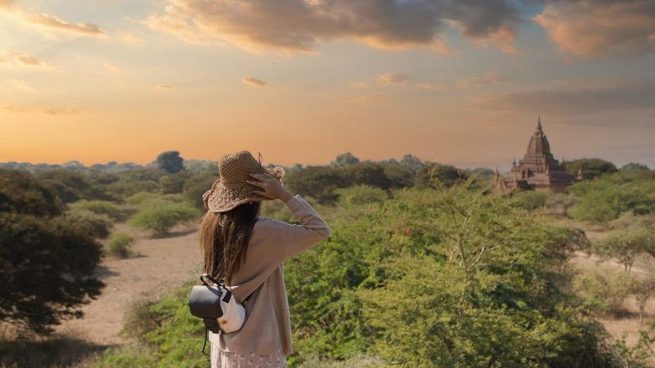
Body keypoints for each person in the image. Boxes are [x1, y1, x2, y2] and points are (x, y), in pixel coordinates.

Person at [199, 150, 332, 368]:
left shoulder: (211, 227)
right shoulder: (266, 232)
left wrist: (212, 212)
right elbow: (319, 230)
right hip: (257, 345)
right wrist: (284, 195)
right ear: (257, 196)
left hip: (223, 340)